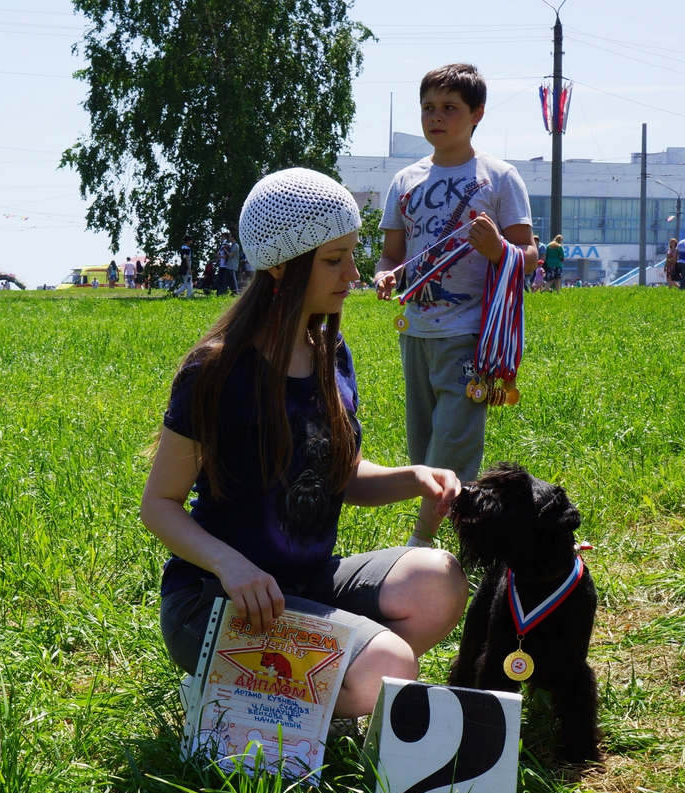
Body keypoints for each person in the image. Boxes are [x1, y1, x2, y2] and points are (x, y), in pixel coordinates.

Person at [141, 168, 468, 717]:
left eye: (352, 255)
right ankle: (259, 689)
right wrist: (231, 567)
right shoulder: (216, 372)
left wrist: (413, 478)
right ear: (280, 266)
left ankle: (283, 694)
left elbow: (337, 474)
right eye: (332, 260)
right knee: (389, 665)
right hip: (215, 599)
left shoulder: (330, 354)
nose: (353, 273)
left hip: (308, 581)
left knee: (440, 579)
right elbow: (159, 505)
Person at [372, 62, 536, 518]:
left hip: (470, 334)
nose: (435, 117)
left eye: (449, 107)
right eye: (428, 107)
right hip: (417, 333)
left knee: (453, 446)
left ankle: (426, 539)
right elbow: (392, 255)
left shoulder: (499, 177)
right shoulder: (405, 181)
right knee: (424, 447)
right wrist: (385, 275)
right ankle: (455, 531)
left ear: (477, 114)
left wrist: (497, 249)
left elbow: (528, 257)